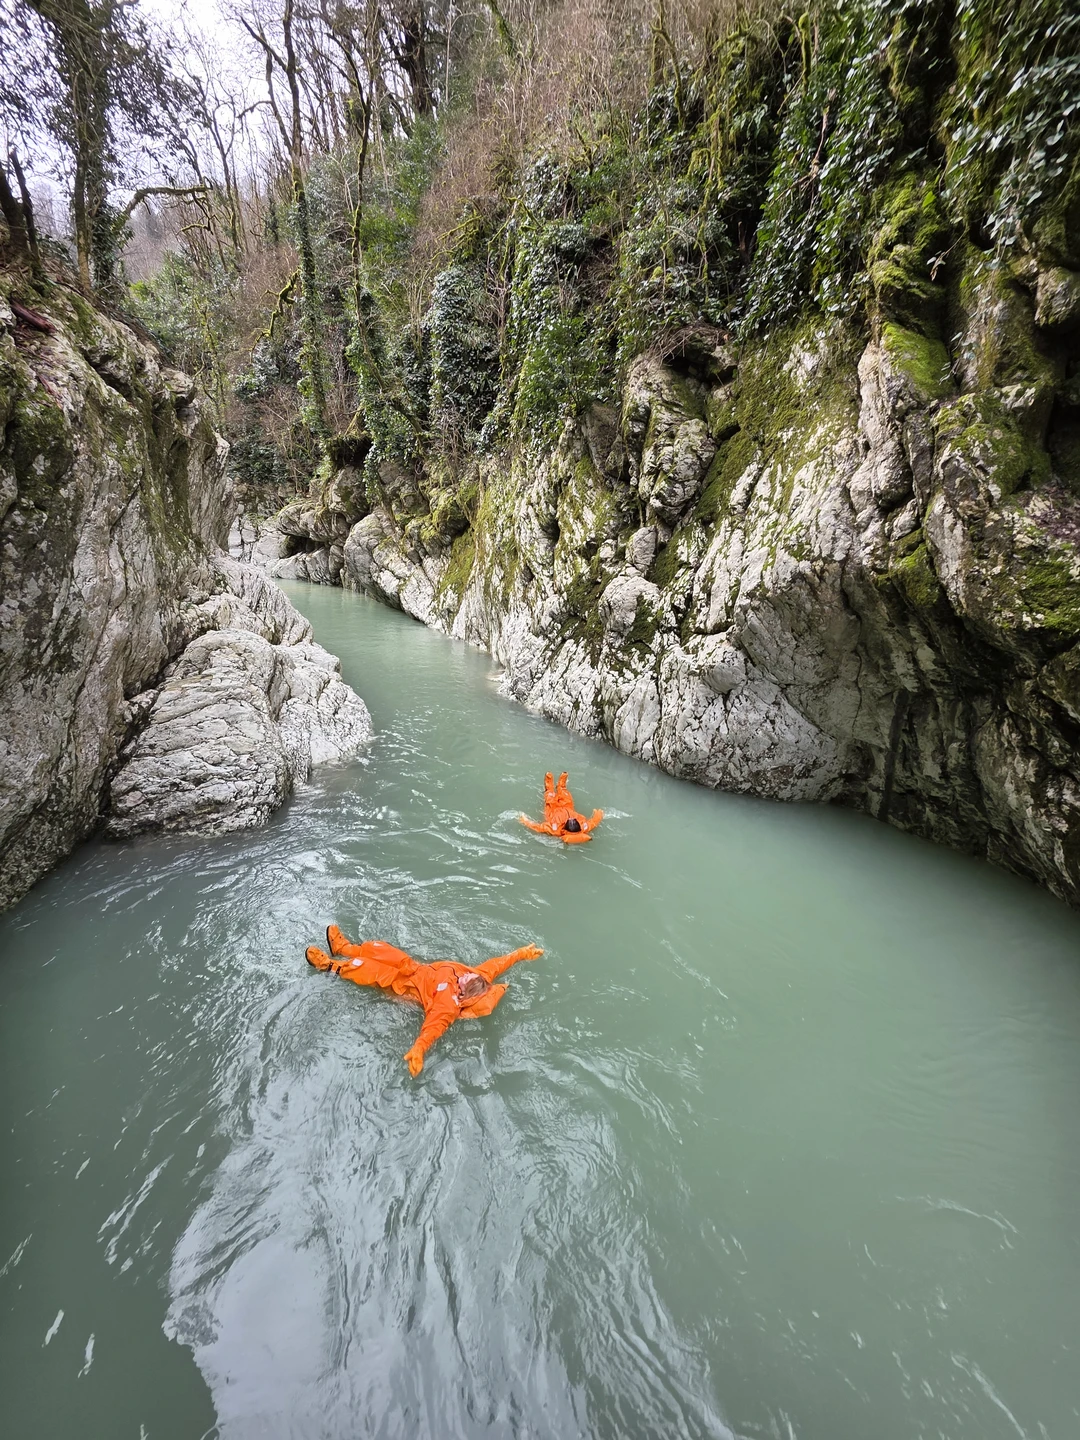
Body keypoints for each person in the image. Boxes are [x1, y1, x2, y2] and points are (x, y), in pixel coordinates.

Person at [305, 926, 544, 1075]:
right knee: (385, 951)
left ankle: (330, 966)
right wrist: (522, 953)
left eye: (465, 980)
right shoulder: (477, 978)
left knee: (372, 971)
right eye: (470, 974)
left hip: (405, 989)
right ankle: (344, 947)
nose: (465, 974)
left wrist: (419, 1049)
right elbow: (498, 964)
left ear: (463, 994)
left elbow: (433, 1027)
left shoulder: (447, 1005)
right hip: (415, 970)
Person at [520, 771, 603, 844]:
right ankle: (561, 785)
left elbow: (537, 827)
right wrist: (599, 814)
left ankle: (549, 783)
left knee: (550, 794)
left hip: (552, 809)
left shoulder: (554, 829)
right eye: (574, 821)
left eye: (571, 822)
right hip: (568, 807)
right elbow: (594, 822)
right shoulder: (584, 827)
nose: (572, 820)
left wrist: (524, 820)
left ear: (566, 829)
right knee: (565, 793)